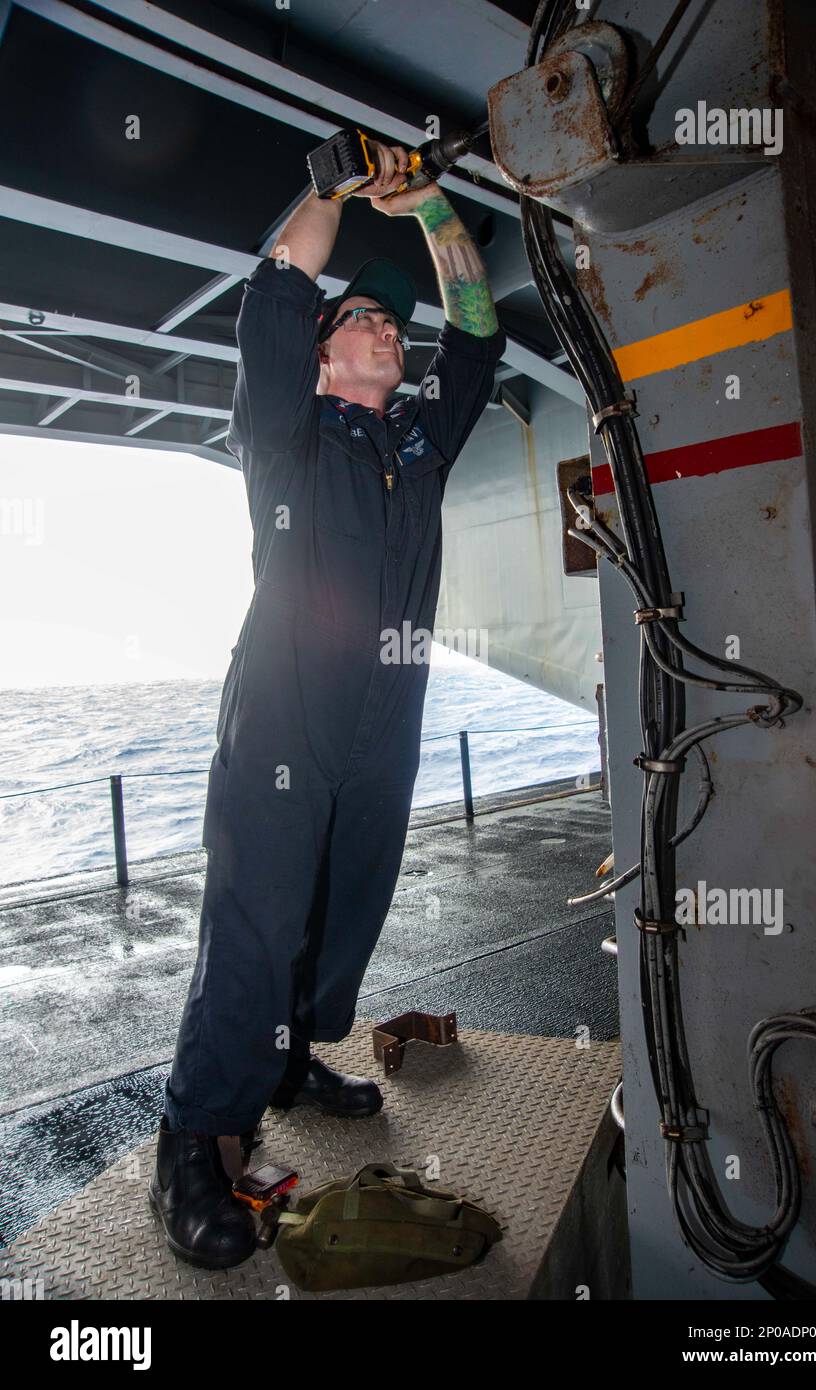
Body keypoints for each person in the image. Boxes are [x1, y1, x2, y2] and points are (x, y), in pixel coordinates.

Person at [149, 141, 507, 1269]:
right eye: (362, 321)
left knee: (344, 907)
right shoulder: (286, 435)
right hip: (285, 718)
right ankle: (195, 1141)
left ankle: (291, 1054)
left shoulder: (418, 440)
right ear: (313, 359)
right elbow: (280, 284)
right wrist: (334, 181)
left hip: (382, 722)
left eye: (394, 330)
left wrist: (438, 206)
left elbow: (482, 332)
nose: (387, 333)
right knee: (256, 920)